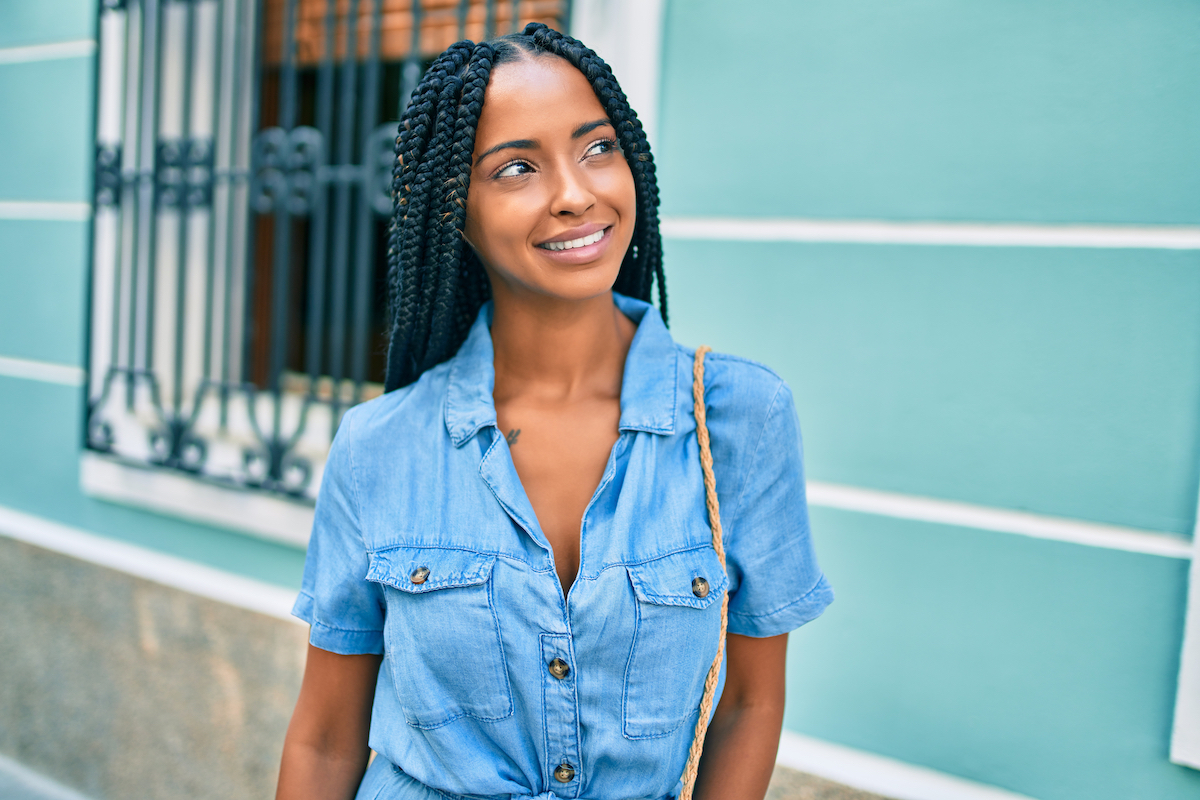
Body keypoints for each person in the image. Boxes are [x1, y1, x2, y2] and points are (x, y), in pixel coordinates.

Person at [276, 24, 833, 800]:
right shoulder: (379, 446)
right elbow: (326, 738)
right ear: (455, 212)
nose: (575, 193)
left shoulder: (739, 419)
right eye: (516, 168)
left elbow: (749, 701)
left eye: (597, 148)